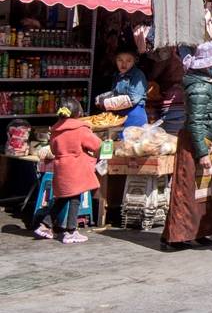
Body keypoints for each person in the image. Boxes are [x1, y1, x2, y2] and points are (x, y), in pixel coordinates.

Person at [162, 42, 212, 251]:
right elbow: (196, 121)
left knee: (204, 191)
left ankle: (198, 231)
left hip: (202, 141)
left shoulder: (204, 83)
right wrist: (202, 152)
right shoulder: (199, 86)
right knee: (187, 189)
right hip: (194, 142)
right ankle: (177, 236)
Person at [33, 98, 101, 243]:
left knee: (62, 198)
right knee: (76, 198)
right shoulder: (81, 129)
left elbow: (52, 149)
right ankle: (71, 231)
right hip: (76, 169)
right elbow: (95, 145)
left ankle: (45, 225)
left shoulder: (56, 130)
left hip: (61, 169)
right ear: (78, 113)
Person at [100, 48, 149, 129]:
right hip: (119, 116)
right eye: (120, 60)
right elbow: (115, 94)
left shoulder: (138, 75)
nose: (124, 64)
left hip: (134, 117)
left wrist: (106, 103)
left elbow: (133, 99)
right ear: (115, 60)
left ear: (134, 61)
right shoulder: (117, 75)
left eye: (128, 61)